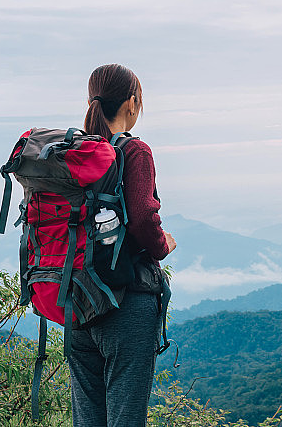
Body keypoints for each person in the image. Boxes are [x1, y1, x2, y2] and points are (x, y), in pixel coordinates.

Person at [68, 63, 177, 427]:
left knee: (88, 419)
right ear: (132, 103)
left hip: (78, 304)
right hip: (125, 304)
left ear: (90, 100)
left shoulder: (76, 152)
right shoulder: (134, 151)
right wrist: (164, 245)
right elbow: (144, 216)